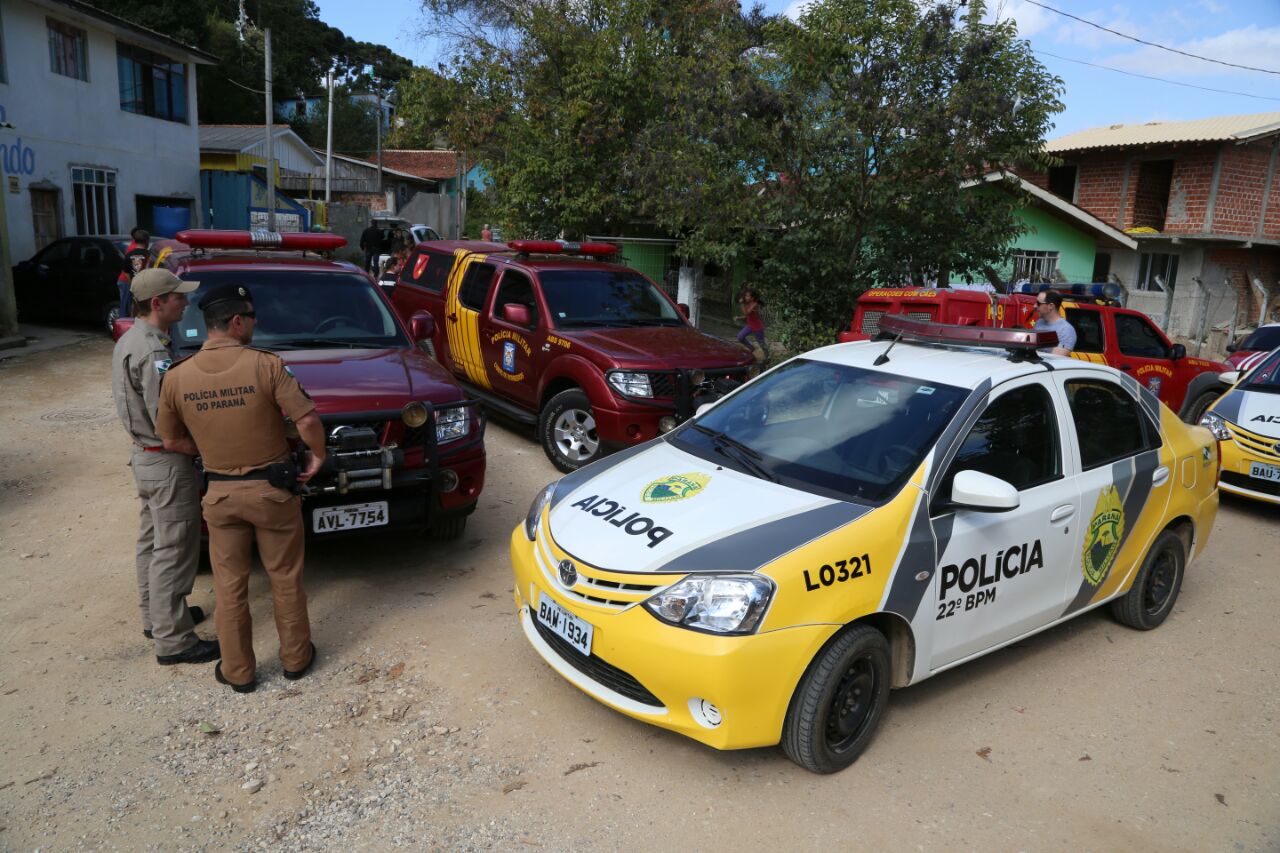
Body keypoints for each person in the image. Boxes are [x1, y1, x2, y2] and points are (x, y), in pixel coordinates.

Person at [157, 283, 327, 693]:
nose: (254, 324)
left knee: (230, 586)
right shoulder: (266, 365)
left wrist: (210, 450)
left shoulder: (177, 376)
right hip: (272, 492)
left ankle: (237, 672)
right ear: (236, 322)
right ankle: (296, 660)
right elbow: (306, 420)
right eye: (251, 317)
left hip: (220, 494)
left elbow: (170, 440)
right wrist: (318, 456)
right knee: (285, 577)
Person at [110, 268, 220, 666]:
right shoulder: (153, 351)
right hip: (165, 461)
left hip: (146, 457)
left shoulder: (132, 338)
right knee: (173, 549)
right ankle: (174, 641)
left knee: (152, 541)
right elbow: (168, 427)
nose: (185, 303)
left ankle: (156, 619)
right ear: (157, 303)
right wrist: (210, 448)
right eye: (178, 297)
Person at [116, 228, 151, 318]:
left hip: (133, 285)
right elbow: (148, 269)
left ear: (134, 240)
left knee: (131, 306)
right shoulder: (148, 254)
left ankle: (126, 323)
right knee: (142, 308)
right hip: (144, 286)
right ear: (147, 241)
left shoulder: (129, 254)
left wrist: (131, 283)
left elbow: (126, 271)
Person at [1034, 289, 1077, 356]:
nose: (1034, 306)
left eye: (1038, 303)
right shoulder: (1039, 323)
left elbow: (1056, 358)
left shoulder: (1066, 330)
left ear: (1051, 306)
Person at [735, 287, 767, 362]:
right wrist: (739, 318)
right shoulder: (748, 303)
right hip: (750, 326)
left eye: (748, 296)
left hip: (757, 327)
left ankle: (767, 356)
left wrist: (741, 304)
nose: (746, 297)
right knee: (740, 337)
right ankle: (751, 348)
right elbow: (748, 316)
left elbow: (746, 313)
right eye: (746, 296)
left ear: (752, 298)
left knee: (761, 343)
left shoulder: (755, 304)